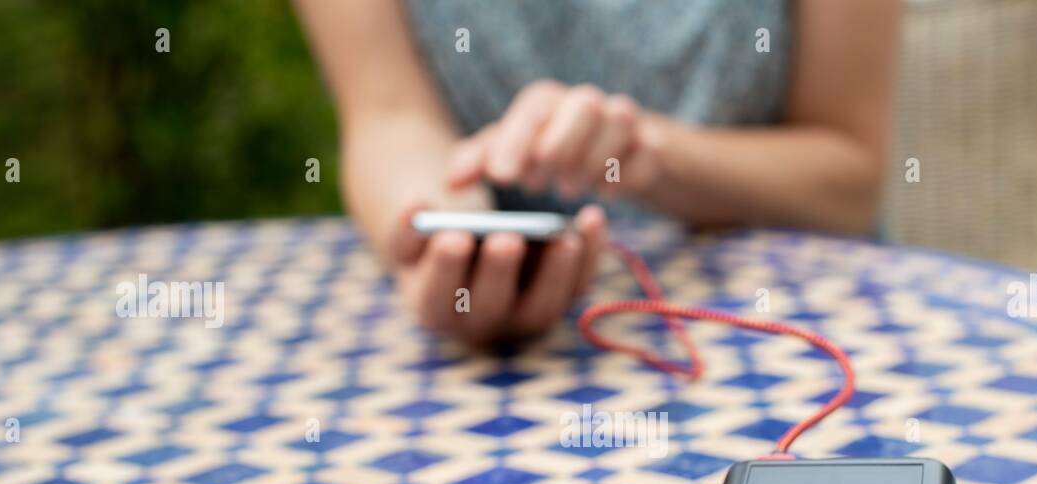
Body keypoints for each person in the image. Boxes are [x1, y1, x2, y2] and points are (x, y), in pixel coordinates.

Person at [293, 0, 900, 346]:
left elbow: (848, 177)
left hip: (799, 323)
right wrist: (451, 233)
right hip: (516, 367)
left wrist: (649, 154)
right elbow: (387, 116)